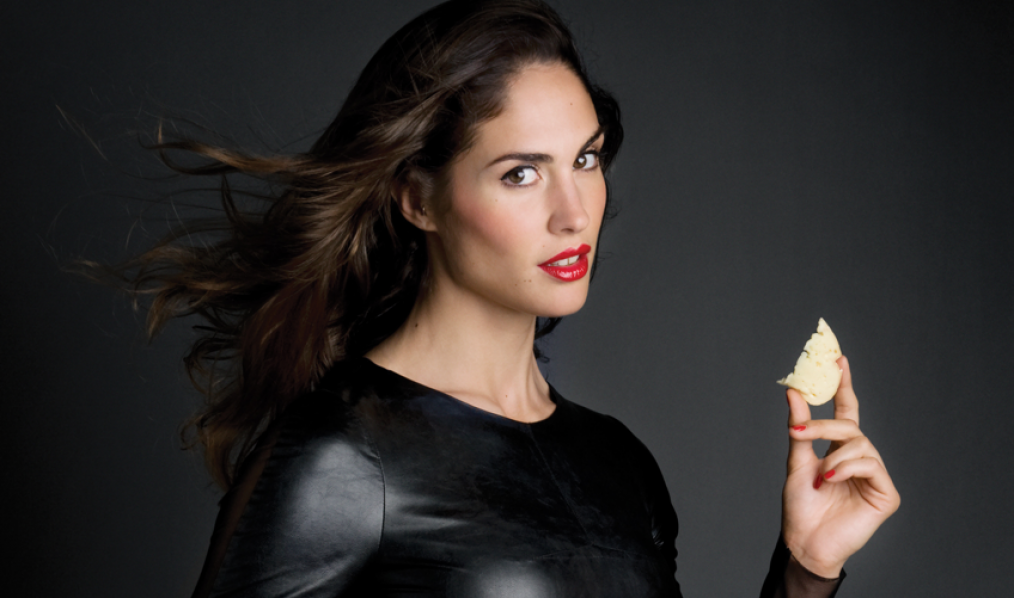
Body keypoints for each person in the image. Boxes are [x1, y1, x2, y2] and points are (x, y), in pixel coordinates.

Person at [105, 1, 899, 596]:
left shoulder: (619, 463)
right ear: (417, 198)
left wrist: (806, 569)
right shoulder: (344, 459)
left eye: (585, 159)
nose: (573, 212)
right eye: (521, 173)